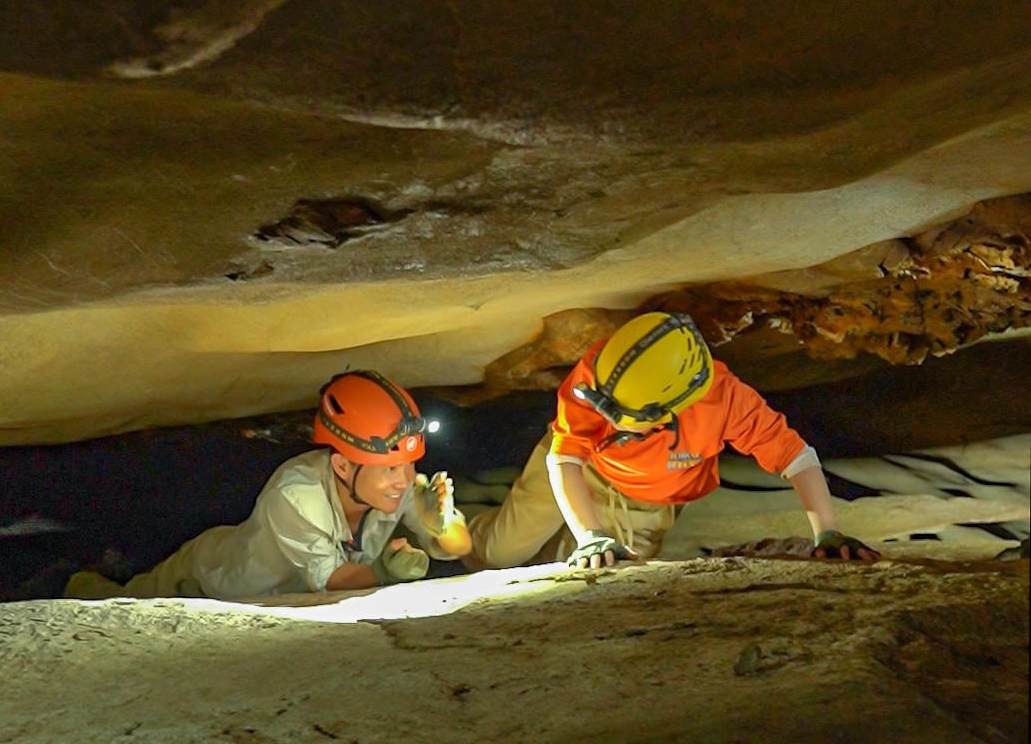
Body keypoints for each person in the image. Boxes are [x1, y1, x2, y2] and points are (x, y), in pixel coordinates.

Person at [465, 311, 880, 570]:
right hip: (578, 467)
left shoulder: (725, 399)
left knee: (585, 571)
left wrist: (827, 532)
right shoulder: (596, 375)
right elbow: (565, 459)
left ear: (677, 406)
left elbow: (796, 457)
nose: (620, 429)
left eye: (634, 422)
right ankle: (447, 530)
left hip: (648, 499)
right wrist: (590, 534)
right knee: (499, 554)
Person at [64, 370, 472, 600]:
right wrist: (383, 571)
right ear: (344, 467)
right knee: (123, 601)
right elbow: (330, 580)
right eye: (388, 468)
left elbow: (459, 548)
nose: (403, 478)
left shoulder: (400, 487)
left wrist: (442, 525)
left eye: (409, 463)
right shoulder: (297, 494)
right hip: (208, 577)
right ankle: (72, 581)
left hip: (260, 586)